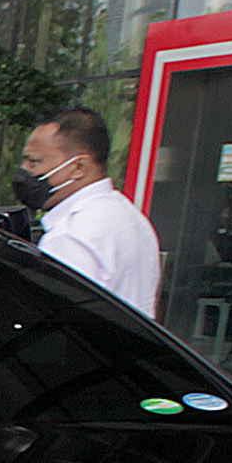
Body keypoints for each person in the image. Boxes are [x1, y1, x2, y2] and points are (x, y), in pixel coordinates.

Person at [17, 106, 161, 316]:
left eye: (34, 162)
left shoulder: (71, 235)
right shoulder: (128, 215)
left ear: (79, 167)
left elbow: (56, 322)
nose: (24, 170)